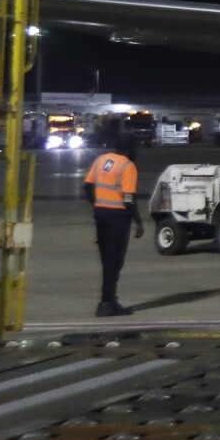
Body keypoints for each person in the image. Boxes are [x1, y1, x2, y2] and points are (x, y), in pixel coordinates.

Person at [82, 134, 144, 317]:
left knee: (106, 261)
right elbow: (128, 198)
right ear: (130, 149)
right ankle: (106, 303)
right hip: (118, 218)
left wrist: (96, 204)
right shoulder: (127, 166)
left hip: (101, 215)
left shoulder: (101, 159)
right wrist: (138, 221)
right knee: (114, 261)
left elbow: (87, 186)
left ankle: (110, 300)